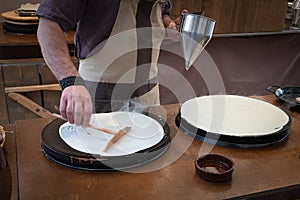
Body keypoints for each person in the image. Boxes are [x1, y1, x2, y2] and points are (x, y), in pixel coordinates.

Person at [36, 0, 186, 127]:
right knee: (100, 154)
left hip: (148, 94)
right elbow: (49, 25)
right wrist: (70, 81)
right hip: (100, 95)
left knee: (148, 152)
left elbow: (161, 11)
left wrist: (169, 24)